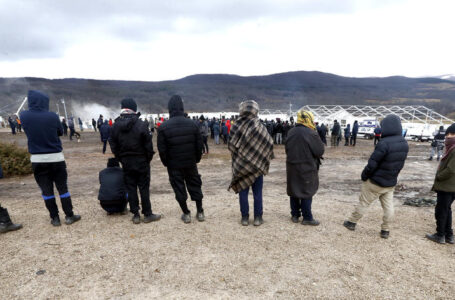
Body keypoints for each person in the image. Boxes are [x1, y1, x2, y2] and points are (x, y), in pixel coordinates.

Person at [20, 90, 81, 226]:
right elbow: (60, 132)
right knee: (62, 188)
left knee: (46, 190)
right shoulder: (52, 116)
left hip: (37, 159)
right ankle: (69, 216)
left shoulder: (24, 115)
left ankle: (55, 218)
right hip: (56, 157)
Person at [343, 115, 409, 239]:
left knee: (364, 203)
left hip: (375, 182)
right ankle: (385, 230)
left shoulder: (384, 143)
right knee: (389, 208)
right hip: (390, 182)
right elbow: (400, 165)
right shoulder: (404, 143)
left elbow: (372, 164)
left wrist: (364, 175)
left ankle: (351, 222)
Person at [109, 98, 161, 224]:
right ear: (134, 109)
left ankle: (136, 214)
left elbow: (113, 144)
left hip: (126, 161)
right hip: (141, 160)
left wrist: (120, 158)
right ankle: (147, 213)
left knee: (131, 187)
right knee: (144, 187)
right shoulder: (141, 124)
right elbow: (149, 146)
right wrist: (147, 159)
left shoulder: (116, 125)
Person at [157, 95, 205, 223]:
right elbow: (199, 145)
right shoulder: (193, 124)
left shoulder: (163, 127)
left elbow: (162, 150)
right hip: (190, 162)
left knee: (179, 188)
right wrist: (196, 159)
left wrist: (167, 163)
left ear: (169, 109)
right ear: (182, 108)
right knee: (195, 185)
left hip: (174, 164)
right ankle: (200, 212)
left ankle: (186, 213)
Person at [228, 100, 274, 226]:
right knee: (257, 193)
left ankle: (245, 218)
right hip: (257, 166)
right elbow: (269, 142)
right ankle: (258, 218)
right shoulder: (259, 125)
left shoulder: (236, 125)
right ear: (255, 110)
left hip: (240, 166)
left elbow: (230, 145)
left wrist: (241, 154)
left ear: (242, 110)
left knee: (243, 192)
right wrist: (262, 157)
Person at [286, 110, 325, 225]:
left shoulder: (291, 131)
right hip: (306, 167)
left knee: (294, 190)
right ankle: (307, 217)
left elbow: (287, 148)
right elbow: (319, 151)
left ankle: (295, 215)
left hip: (292, 166)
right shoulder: (311, 132)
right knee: (307, 191)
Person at [426, 124, 455, 244]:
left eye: (451, 135)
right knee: (447, 210)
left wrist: (439, 176)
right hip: (450, 186)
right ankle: (449, 235)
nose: (447, 137)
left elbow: (451, 169)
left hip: (447, 186)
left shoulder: (454, 149)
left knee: (441, 211)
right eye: (447, 135)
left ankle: (440, 235)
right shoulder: (451, 148)